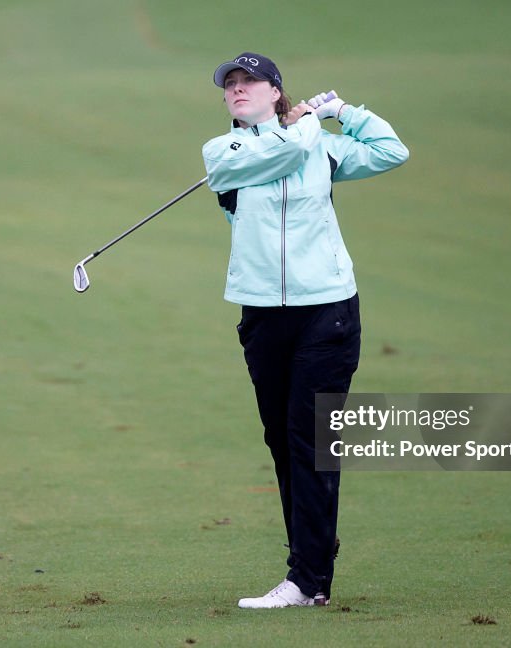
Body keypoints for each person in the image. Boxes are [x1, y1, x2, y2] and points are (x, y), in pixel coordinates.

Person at [201, 52, 409, 609]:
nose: (237, 90)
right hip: (263, 315)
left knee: (309, 441)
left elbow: (392, 151)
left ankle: (307, 577)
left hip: (329, 311)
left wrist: (344, 111)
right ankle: (312, 560)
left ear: (276, 91)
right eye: (230, 85)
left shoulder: (318, 142)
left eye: (250, 82)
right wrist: (306, 125)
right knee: (282, 441)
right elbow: (285, 149)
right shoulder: (224, 153)